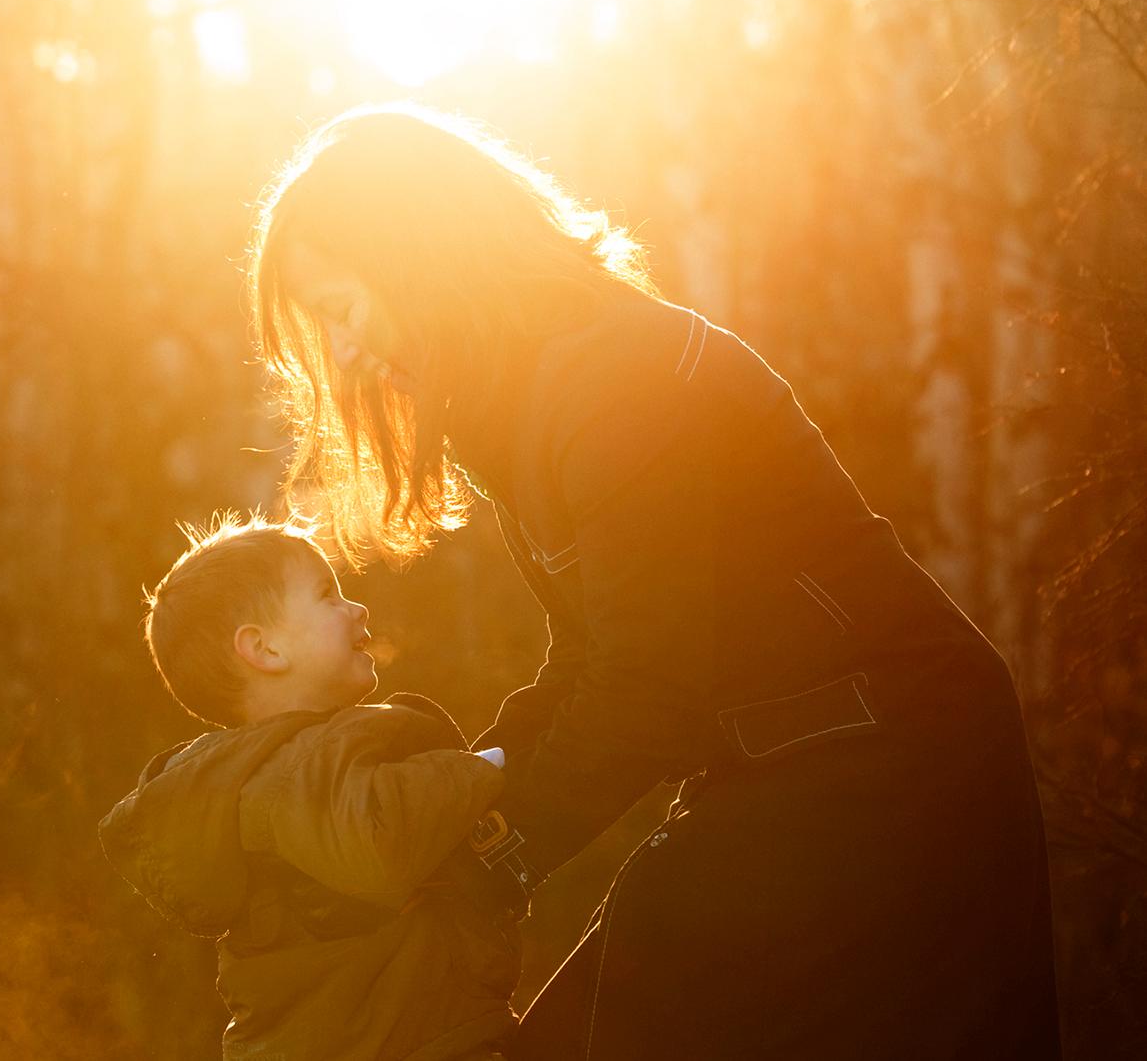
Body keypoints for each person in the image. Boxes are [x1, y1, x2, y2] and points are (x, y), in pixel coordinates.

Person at [246, 103, 1061, 1059]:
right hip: (789, 765)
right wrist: (455, 799)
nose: (343, 351)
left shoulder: (618, 381)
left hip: (884, 767)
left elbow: (644, 686)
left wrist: (486, 856)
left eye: (342, 308)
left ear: (421, 254)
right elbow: (589, 658)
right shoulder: (526, 397)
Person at [99, 514, 522, 1061]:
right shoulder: (289, 776)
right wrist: (483, 767)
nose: (358, 608)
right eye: (328, 596)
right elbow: (377, 838)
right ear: (266, 650)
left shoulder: (278, 771)